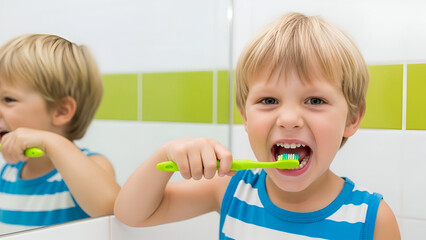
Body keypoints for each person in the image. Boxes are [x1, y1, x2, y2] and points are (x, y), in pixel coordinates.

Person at [114, 12, 400, 239]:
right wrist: (165, 153)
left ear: (352, 119)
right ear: (245, 118)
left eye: (314, 100)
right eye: (269, 100)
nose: (288, 119)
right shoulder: (232, 190)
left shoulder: (371, 219)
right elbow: (131, 213)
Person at [0, 34, 120, 234]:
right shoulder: (8, 173)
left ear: (61, 111)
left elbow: (111, 208)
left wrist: (51, 143)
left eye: (8, 99)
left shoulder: (92, 165)